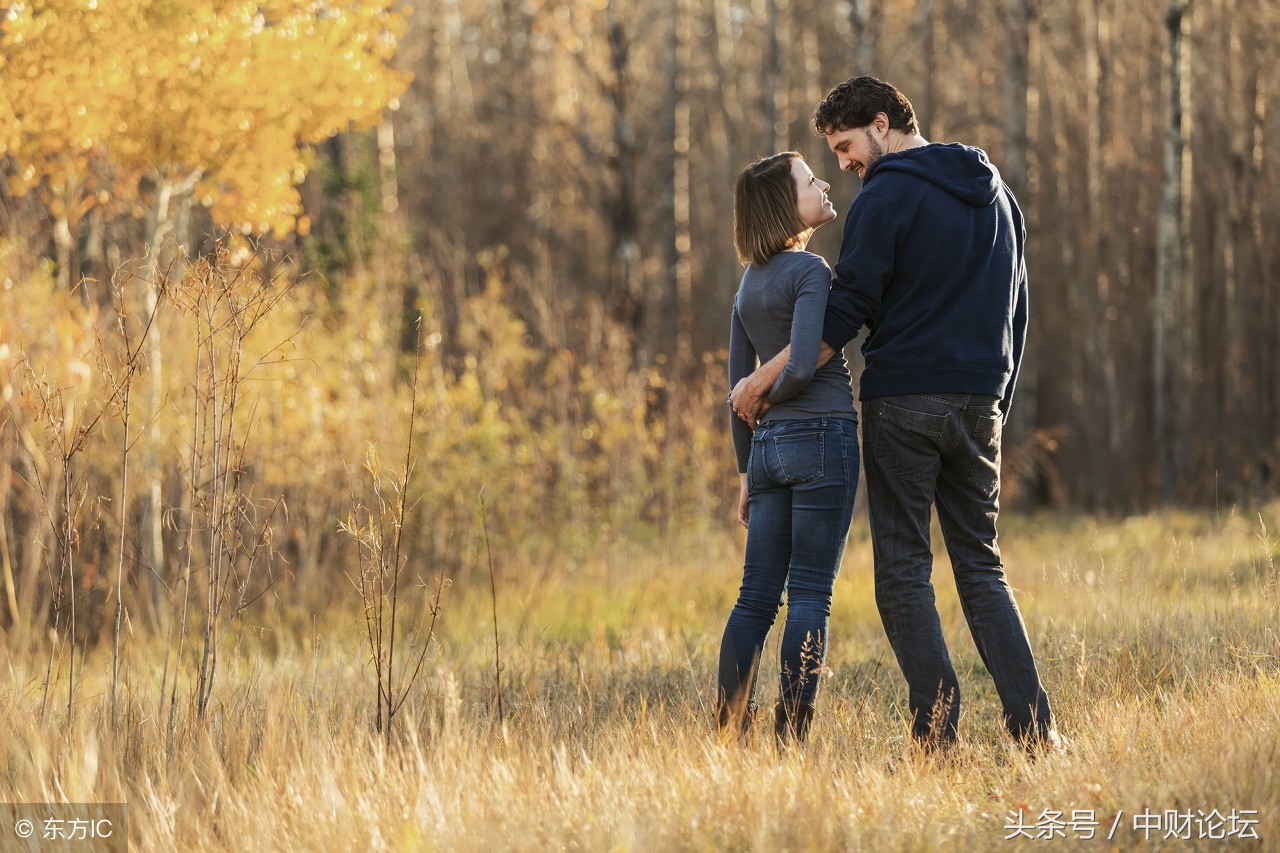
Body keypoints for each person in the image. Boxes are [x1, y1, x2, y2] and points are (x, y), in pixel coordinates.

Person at [730, 77, 1062, 753]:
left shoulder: (885, 195)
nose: (845, 163)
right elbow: (1018, 309)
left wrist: (762, 380)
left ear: (881, 124)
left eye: (846, 145)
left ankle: (936, 736)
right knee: (982, 568)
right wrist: (996, 399)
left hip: (904, 402)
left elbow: (845, 313)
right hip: (980, 403)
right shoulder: (999, 194)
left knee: (904, 572)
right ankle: (1037, 732)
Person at [716, 152, 860, 748]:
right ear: (784, 204)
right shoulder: (810, 271)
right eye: (809, 181)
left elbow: (736, 390)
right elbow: (802, 364)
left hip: (767, 454)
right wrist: (775, 400)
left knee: (755, 598)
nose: (823, 183)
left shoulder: (747, 286)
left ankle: (729, 733)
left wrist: (745, 472)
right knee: (808, 595)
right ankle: (790, 741)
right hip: (823, 437)